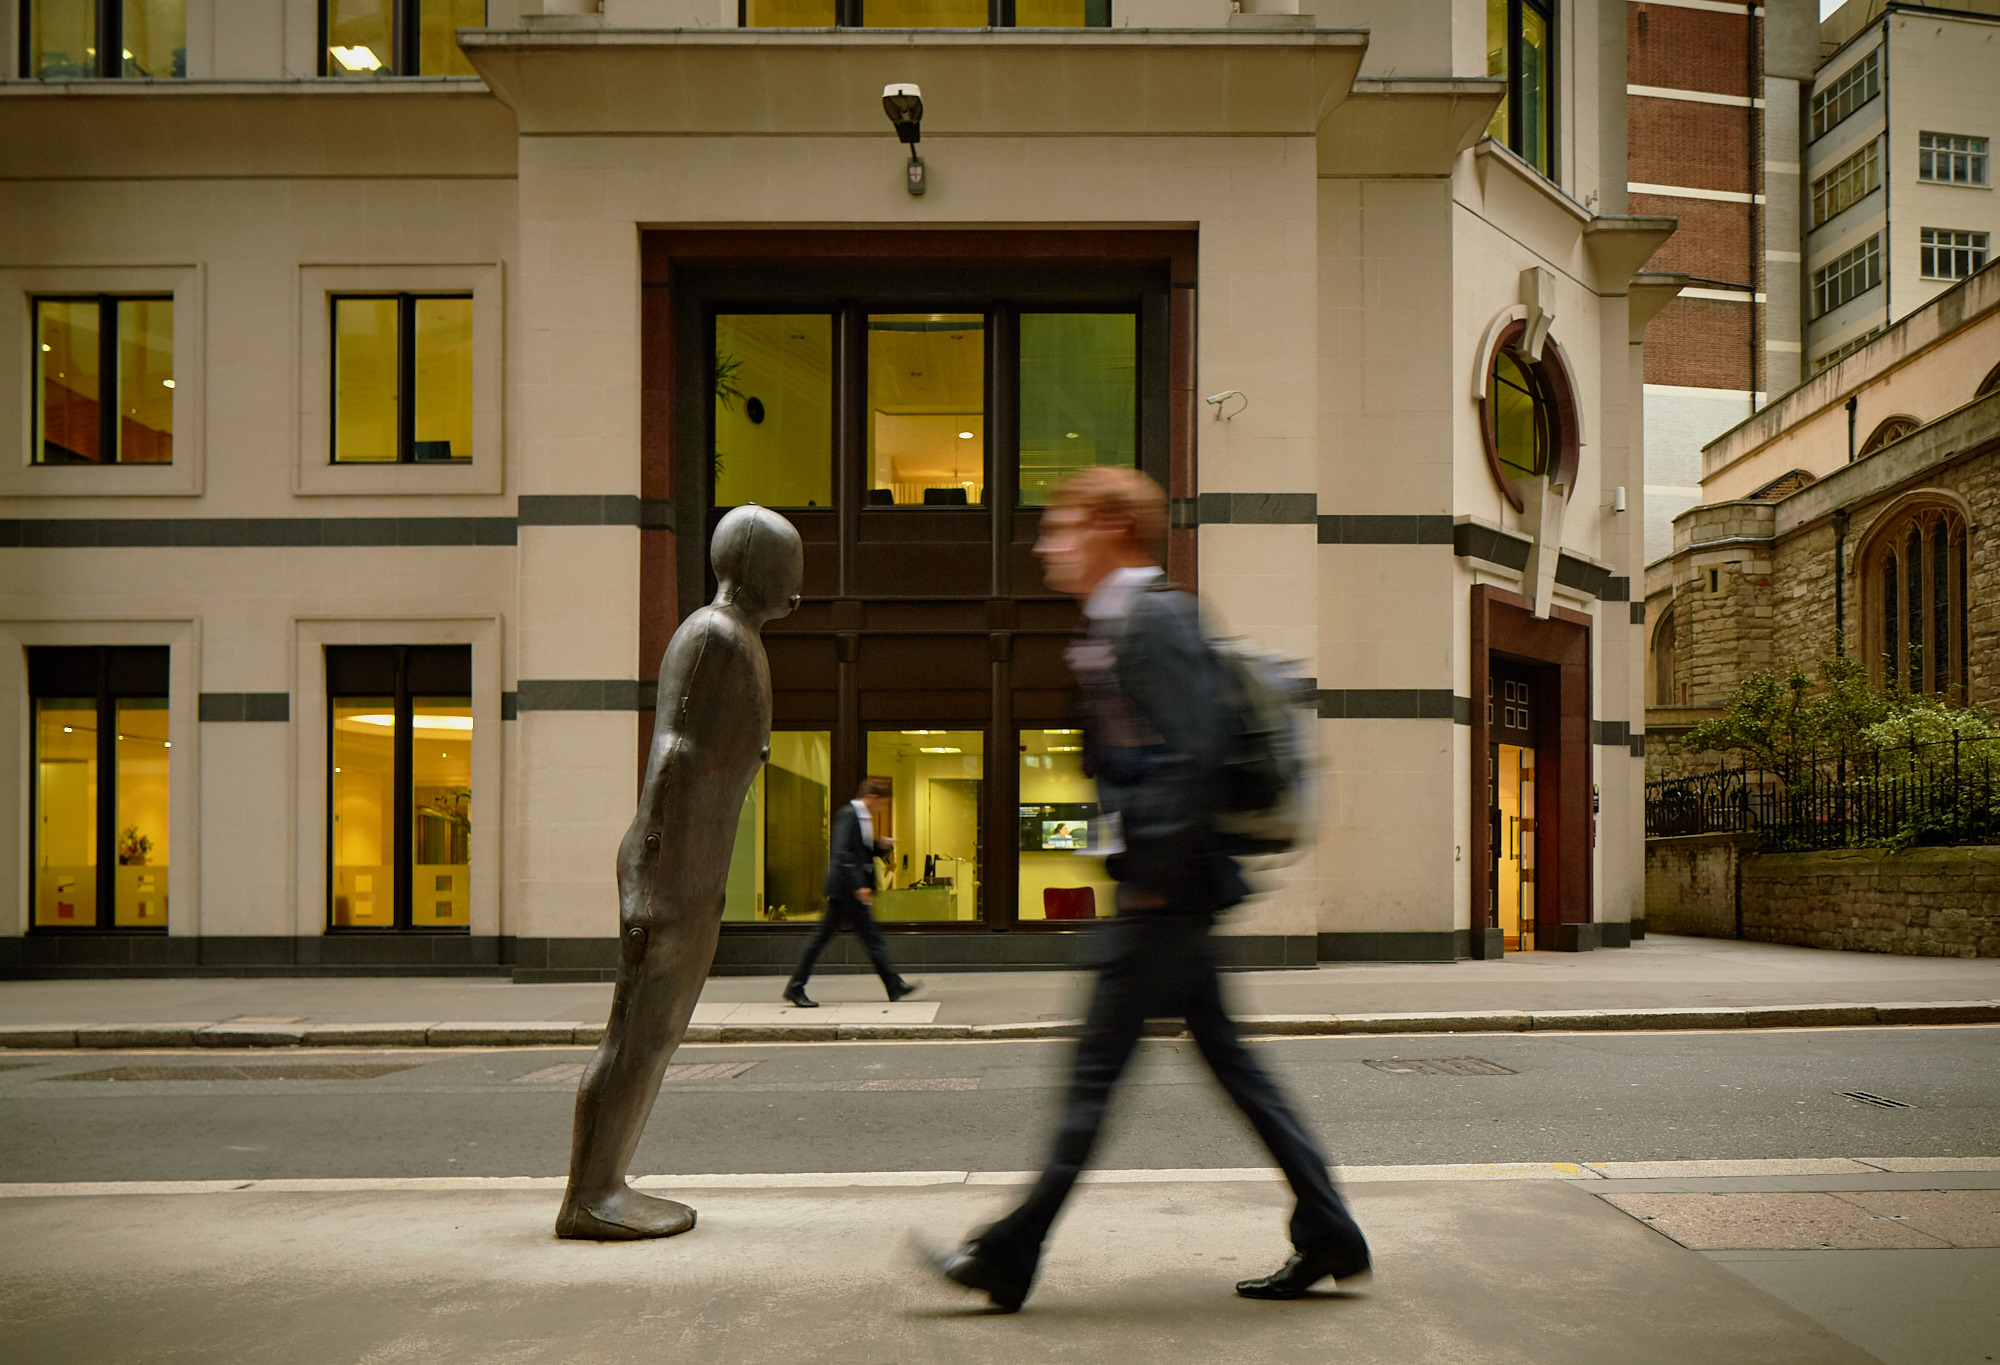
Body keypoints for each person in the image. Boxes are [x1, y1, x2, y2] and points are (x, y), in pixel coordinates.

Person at [922, 466, 1369, 1310]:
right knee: (1235, 1068)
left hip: (1166, 897)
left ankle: (1009, 1253)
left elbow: (1191, 753)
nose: (1047, 545)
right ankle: (1329, 1226)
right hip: (1174, 894)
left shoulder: (1156, 617)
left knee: (1094, 1075)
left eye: (1061, 529)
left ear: (1111, 527)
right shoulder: (1114, 623)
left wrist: (1152, 885)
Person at [557, 504, 802, 1241]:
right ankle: (590, 1194)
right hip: (669, 876)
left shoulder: (739, 641)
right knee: (634, 1035)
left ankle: (607, 1182)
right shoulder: (713, 637)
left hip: (693, 877)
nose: (799, 585)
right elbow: (673, 759)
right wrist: (648, 882)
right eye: (790, 566)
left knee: (653, 1039)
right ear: (758, 566)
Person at [783, 777, 923, 1008]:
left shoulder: (862, 817)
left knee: (871, 940)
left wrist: (880, 846)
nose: (881, 809)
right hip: (845, 892)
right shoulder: (849, 814)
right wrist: (860, 885)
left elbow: (858, 852)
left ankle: (894, 984)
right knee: (822, 940)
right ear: (872, 797)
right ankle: (795, 987)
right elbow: (843, 853)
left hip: (852, 892)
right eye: (881, 804)